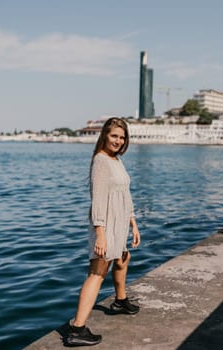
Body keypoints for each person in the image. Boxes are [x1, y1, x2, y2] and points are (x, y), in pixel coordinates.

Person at [66, 117, 141, 347]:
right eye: (114, 136)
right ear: (104, 136)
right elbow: (98, 199)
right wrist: (100, 232)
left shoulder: (116, 160)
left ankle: (120, 301)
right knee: (97, 273)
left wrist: (133, 222)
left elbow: (124, 194)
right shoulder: (101, 161)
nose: (118, 140)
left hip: (120, 221)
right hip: (106, 223)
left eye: (122, 137)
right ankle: (77, 328)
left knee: (122, 259)